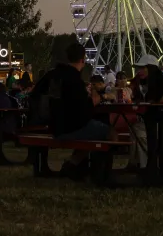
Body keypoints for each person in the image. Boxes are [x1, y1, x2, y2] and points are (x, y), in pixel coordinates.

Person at [46, 43, 114, 179]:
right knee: (110, 133)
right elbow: (85, 109)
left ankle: (73, 165)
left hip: (55, 127)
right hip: (69, 128)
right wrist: (100, 97)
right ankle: (104, 174)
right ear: (83, 59)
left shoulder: (56, 75)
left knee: (91, 131)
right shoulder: (74, 80)